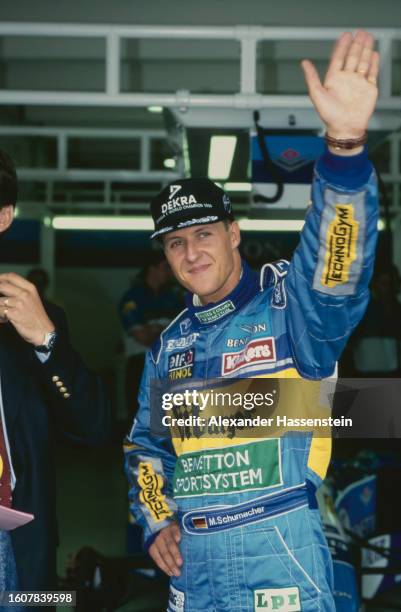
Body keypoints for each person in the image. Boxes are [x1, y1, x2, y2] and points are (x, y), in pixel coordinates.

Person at [124, 30, 379, 611]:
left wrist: (344, 150)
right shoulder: (168, 348)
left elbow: (335, 271)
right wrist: (158, 522)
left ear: (233, 234)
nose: (192, 254)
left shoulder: (291, 309)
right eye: (175, 245)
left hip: (280, 545)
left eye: (205, 234)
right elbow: (146, 446)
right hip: (196, 559)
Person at [0, 150, 110, 596]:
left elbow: (94, 429)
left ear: (3, 217)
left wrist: (46, 341)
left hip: (14, 547)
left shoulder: (39, 320)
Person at [119, 251, 182, 419]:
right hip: (140, 364)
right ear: (151, 269)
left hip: (169, 365)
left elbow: (183, 336)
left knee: (167, 419)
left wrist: (153, 331)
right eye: (165, 267)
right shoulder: (132, 298)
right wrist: (164, 333)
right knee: (140, 417)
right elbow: (141, 336)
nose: (170, 271)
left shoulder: (174, 298)